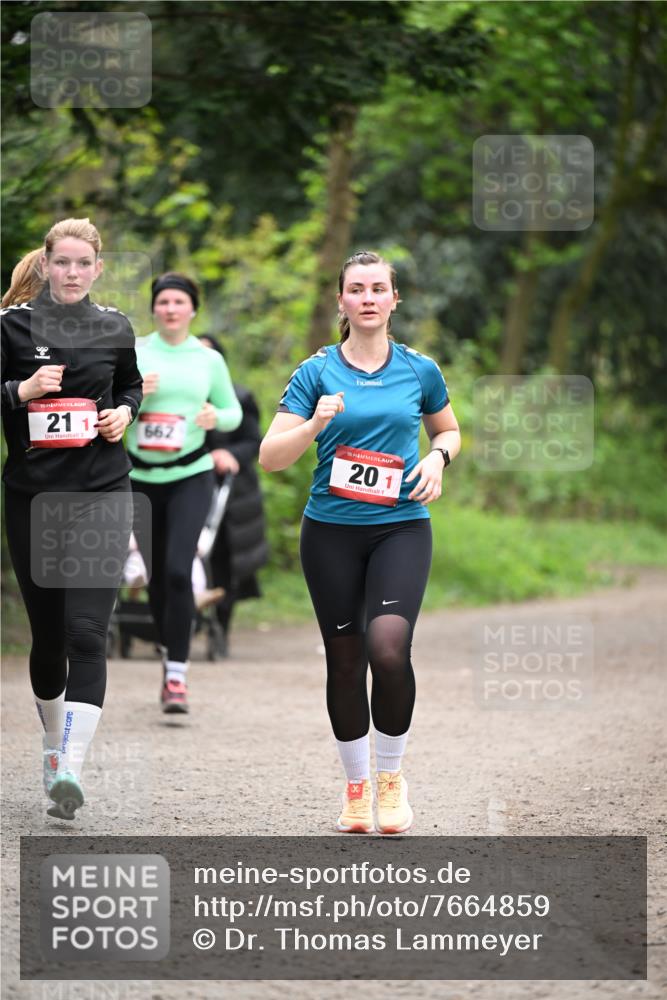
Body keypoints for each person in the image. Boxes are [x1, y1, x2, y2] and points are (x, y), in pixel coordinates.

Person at [259, 250, 461, 835]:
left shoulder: (420, 370)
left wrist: (438, 458)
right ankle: (355, 789)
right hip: (330, 533)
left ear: (395, 300)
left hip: (400, 526)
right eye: (357, 289)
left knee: (389, 646)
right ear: (341, 302)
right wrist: (314, 424)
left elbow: (447, 428)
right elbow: (271, 458)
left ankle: (392, 781)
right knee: (345, 660)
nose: (368, 298)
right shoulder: (315, 372)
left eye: (379, 288)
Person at [1, 217, 143, 820]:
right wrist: (21, 392)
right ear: (46, 264)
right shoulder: (10, 327)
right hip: (33, 497)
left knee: (88, 632)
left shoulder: (114, 325)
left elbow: (132, 386)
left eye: (83, 264)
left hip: (102, 492)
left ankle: (69, 769)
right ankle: (51, 746)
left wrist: (125, 416)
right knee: (49, 636)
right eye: (62, 262)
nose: (72, 273)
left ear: (97, 269)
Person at [126, 274, 242, 713]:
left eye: (179, 302)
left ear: (193, 310)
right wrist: (135, 393)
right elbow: (104, 402)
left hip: (191, 474)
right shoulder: (134, 350)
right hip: (140, 477)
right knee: (157, 578)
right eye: (163, 302)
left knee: (179, 570)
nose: (171, 309)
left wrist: (216, 416)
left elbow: (233, 412)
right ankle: (168, 651)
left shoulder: (207, 359)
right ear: (154, 308)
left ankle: (177, 674)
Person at [199, 335, 269, 656]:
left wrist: (227, 455)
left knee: (225, 561)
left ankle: (221, 630)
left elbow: (254, 440)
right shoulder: (176, 396)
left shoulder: (240, 397)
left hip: (232, 493)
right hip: (187, 482)